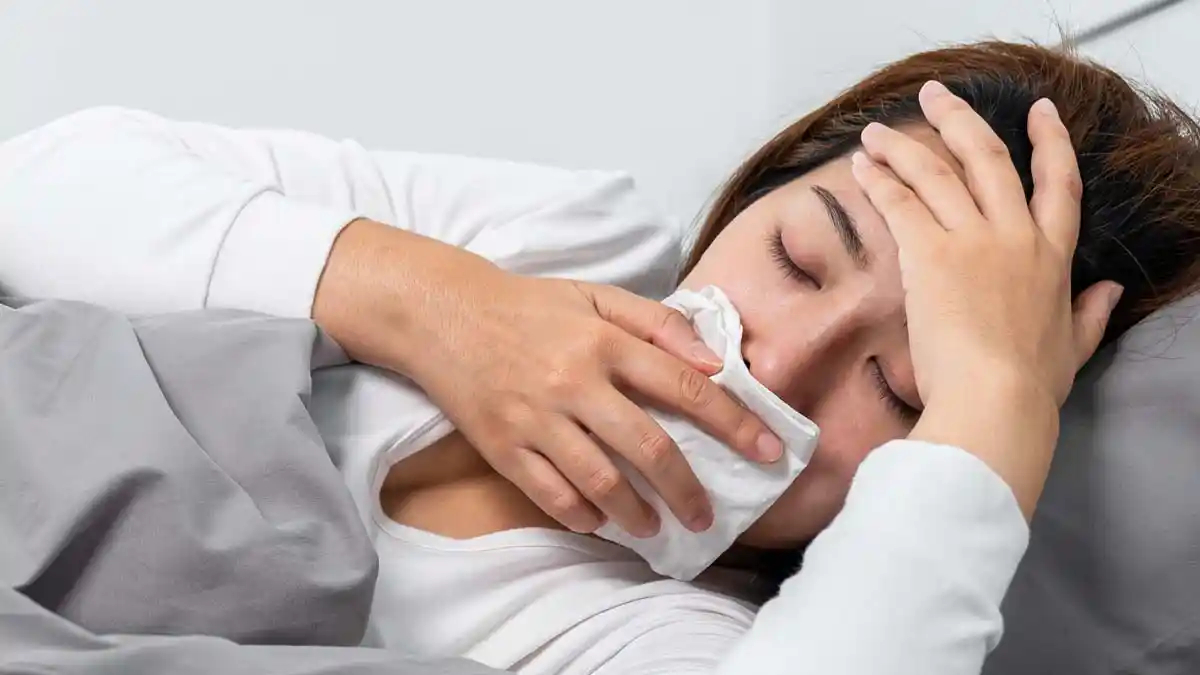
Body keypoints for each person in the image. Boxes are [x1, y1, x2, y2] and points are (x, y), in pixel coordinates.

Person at [1, 40, 1197, 675]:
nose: (776, 364)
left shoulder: (655, 636)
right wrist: (439, 306)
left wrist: (992, 405)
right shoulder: (571, 243)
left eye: (899, 390)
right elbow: (36, 187)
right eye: (795, 256)